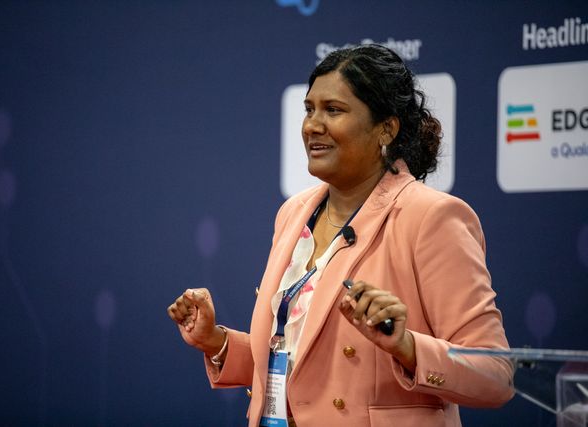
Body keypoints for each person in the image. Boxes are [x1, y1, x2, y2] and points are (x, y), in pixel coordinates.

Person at [167, 44, 514, 427]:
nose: (312, 125)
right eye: (309, 109)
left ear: (386, 128)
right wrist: (217, 342)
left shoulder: (431, 217)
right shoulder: (293, 213)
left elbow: (495, 376)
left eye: (333, 110)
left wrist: (407, 346)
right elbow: (301, 367)